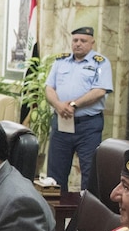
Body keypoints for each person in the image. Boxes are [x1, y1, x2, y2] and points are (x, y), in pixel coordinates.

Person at [45, 26, 113, 191]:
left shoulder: (101, 63)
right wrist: (59, 105)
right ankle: (55, 213)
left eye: (83, 41)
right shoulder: (60, 61)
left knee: (89, 173)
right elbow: (49, 88)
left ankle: (85, 212)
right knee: (55, 174)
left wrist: (74, 104)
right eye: (75, 40)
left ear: (92, 43)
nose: (78, 44)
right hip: (62, 122)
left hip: (88, 126)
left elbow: (99, 91)